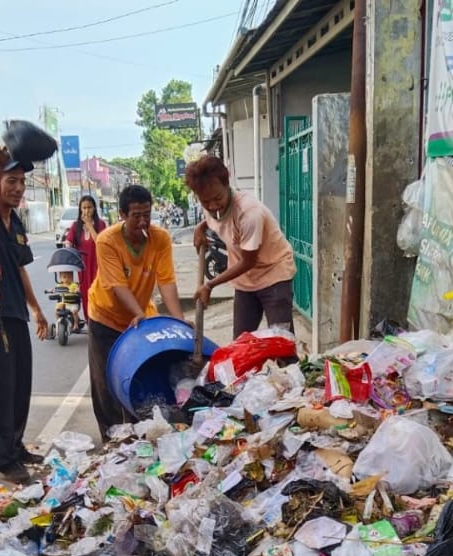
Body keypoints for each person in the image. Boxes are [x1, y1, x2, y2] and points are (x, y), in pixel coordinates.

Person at [86, 184, 184, 442]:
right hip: (105, 317)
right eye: (136, 216)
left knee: (139, 377)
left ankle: (138, 435)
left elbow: (166, 281)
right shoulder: (107, 241)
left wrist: (180, 322)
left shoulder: (160, 238)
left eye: (147, 214)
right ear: (122, 214)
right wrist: (137, 312)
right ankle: (112, 440)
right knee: (105, 381)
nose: (142, 221)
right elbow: (117, 284)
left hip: (140, 319)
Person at [0, 144, 49, 481]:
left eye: (22, 182)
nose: (18, 188)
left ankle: (16, 444)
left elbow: (23, 269)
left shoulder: (17, 222)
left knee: (22, 383)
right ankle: (3, 457)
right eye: (11, 180)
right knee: (3, 386)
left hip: (17, 314)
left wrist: (38, 310)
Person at [186, 155, 297, 337]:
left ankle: (288, 365)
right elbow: (214, 217)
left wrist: (209, 285)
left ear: (226, 183)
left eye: (217, 198)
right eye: (205, 202)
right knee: (241, 343)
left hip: (274, 274)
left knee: (281, 342)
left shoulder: (249, 213)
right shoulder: (212, 206)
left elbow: (248, 261)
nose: (213, 206)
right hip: (246, 282)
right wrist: (200, 227)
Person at [63, 194, 107, 321]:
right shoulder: (75, 226)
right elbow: (68, 242)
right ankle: (89, 321)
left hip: (98, 265)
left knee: (99, 293)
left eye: (89, 207)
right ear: (80, 210)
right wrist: (67, 246)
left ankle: (99, 321)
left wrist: (89, 225)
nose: (87, 211)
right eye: (84, 208)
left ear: (94, 209)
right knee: (86, 293)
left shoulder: (101, 224)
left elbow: (100, 242)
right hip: (83, 267)